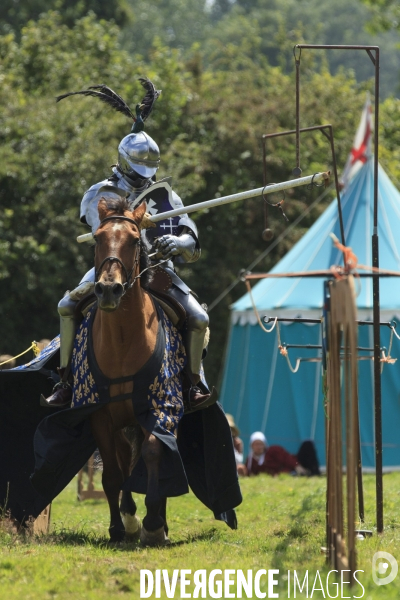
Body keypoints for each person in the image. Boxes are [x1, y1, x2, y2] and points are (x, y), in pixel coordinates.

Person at [44, 81, 213, 411]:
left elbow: (192, 244)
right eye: (138, 171)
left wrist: (176, 242)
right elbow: (103, 229)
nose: (143, 178)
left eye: (148, 171)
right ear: (123, 162)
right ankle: (65, 382)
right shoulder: (101, 192)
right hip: (112, 267)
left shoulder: (166, 195)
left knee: (199, 318)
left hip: (159, 272)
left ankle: (193, 384)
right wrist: (137, 224)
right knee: (67, 306)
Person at [245, 432, 320, 477]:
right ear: (251, 446)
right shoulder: (250, 461)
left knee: (307, 444)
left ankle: (314, 472)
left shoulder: (273, 450)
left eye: (261, 444)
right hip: (287, 474)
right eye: (256, 444)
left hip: (296, 466)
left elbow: (287, 458)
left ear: (264, 444)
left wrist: (297, 466)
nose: (259, 447)